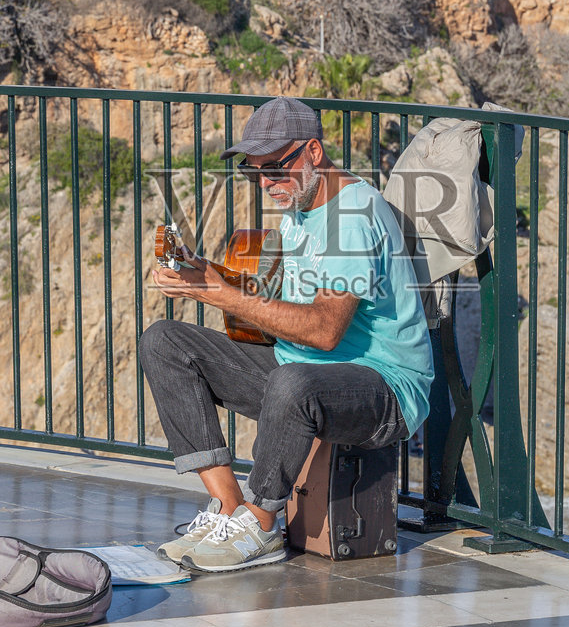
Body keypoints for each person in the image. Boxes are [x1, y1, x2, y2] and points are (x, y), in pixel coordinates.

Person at [139, 96, 434, 572]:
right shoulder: (303, 202)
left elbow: (323, 332)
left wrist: (221, 295)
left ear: (313, 152)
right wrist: (202, 274)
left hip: (382, 387)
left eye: (276, 168)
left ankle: (260, 524)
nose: (268, 183)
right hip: (302, 375)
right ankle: (230, 513)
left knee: (293, 380)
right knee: (164, 342)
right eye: (257, 172)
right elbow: (281, 302)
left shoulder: (351, 215)